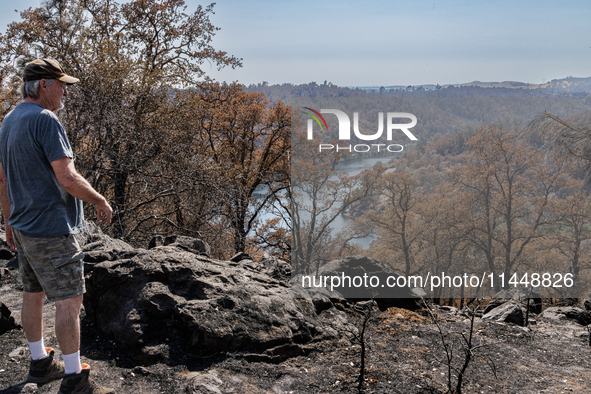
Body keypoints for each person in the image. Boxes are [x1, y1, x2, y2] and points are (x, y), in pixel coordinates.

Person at [0, 58, 114, 393]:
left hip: (23, 226)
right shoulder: (45, 120)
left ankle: (40, 363)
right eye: (61, 84)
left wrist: (8, 221)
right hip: (52, 228)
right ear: (44, 85)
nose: (65, 91)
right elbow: (66, 176)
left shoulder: (9, 121)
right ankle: (75, 378)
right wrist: (98, 200)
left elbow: (2, 180)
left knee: (31, 294)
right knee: (69, 301)